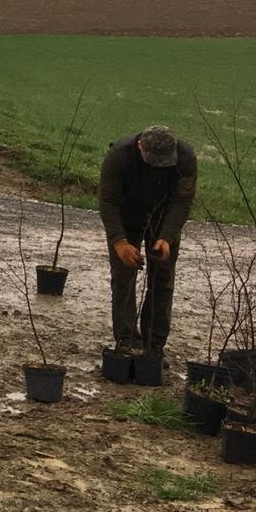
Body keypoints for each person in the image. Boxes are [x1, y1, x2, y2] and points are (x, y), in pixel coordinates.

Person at [99, 125, 198, 355]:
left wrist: (167, 237)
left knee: (162, 279)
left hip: (164, 219)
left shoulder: (186, 158)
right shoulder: (119, 156)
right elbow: (108, 201)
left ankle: (155, 343)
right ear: (140, 146)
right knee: (123, 276)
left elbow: (183, 202)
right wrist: (119, 242)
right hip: (126, 216)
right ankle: (126, 338)